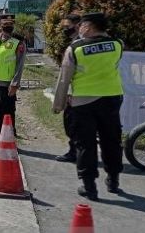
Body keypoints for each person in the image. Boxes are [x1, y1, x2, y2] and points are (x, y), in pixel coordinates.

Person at [52, 12, 124, 201]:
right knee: (111, 141)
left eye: (82, 25)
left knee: (85, 144)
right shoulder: (117, 45)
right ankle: (113, 180)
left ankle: (89, 187)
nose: (79, 28)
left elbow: (64, 79)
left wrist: (58, 104)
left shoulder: (75, 48)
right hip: (111, 98)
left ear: (90, 27)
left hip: (82, 102)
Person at [55, 14, 82, 163]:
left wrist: (67, 94)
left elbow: (71, 73)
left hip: (78, 92)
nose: (65, 30)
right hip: (76, 91)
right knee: (71, 124)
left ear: (77, 25)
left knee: (73, 124)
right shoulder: (75, 42)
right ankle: (75, 151)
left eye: (67, 27)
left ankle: (76, 152)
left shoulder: (79, 45)